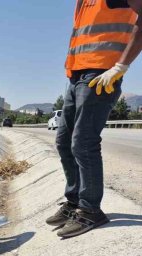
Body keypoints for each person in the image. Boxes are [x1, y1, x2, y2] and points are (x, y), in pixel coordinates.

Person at [46, 0, 142, 238]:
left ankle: (90, 210)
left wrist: (120, 66)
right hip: (77, 75)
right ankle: (75, 201)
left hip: (101, 73)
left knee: (83, 142)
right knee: (64, 141)